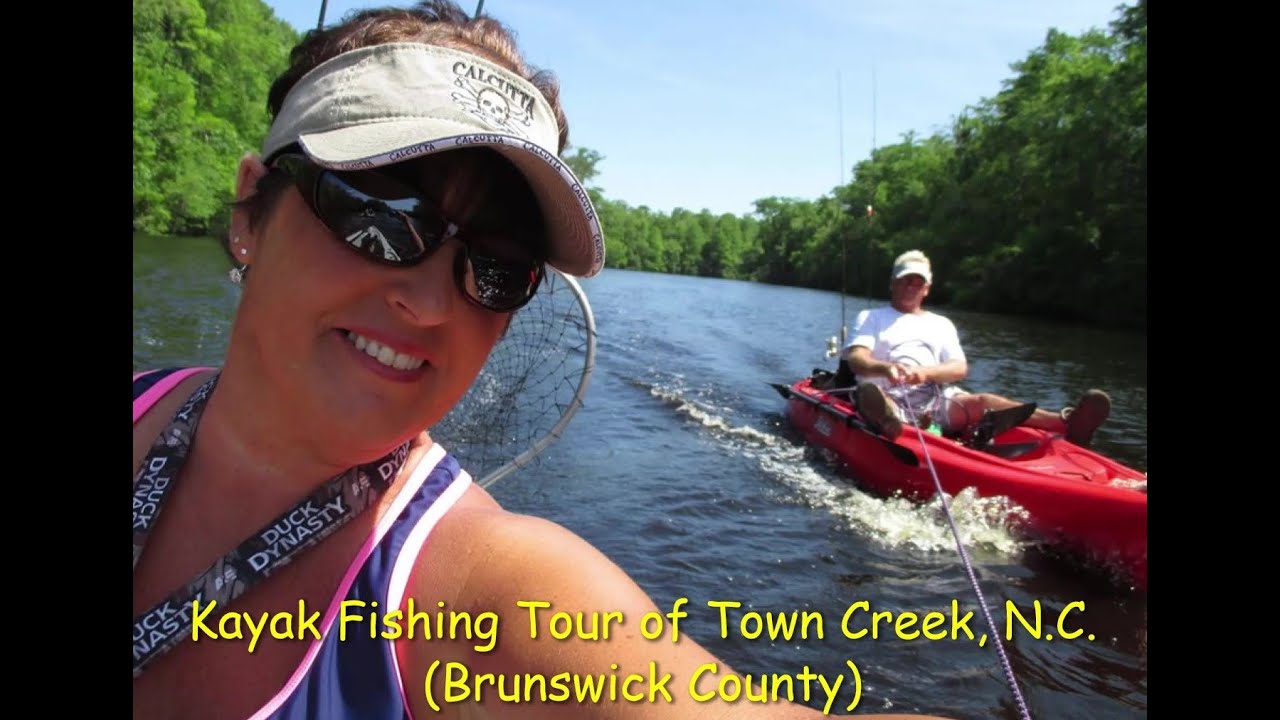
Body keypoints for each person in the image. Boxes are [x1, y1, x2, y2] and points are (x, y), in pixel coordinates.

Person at [132, 3, 954, 719]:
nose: (427, 303)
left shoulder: (499, 595)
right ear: (250, 211)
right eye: (380, 215)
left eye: (496, 266)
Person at [828, 250, 1111, 446]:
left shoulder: (942, 324)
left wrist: (924, 374)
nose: (911, 287)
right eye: (905, 281)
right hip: (887, 392)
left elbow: (959, 368)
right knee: (874, 393)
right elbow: (856, 358)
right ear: (893, 284)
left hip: (936, 399)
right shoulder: (872, 317)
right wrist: (885, 368)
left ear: (926, 288)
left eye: (918, 282)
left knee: (984, 400)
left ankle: (1067, 424)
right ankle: (889, 423)